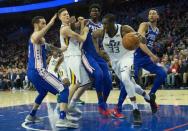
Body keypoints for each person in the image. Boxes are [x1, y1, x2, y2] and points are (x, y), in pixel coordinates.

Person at [92, 13, 155, 124]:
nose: (104, 26)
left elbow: (142, 41)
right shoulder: (101, 32)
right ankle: (149, 98)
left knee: (126, 79)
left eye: (106, 24)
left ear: (113, 23)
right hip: (114, 61)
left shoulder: (124, 29)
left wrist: (142, 38)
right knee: (132, 85)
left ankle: (135, 110)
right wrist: (97, 50)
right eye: (103, 24)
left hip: (127, 57)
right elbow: (92, 35)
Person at [25, 14, 78, 128]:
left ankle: (31, 115)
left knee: (43, 92)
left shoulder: (41, 39)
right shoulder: (34, 35)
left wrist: (59, 49)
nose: (44, 25)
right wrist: (50, 24)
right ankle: (62, 119)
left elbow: (49, 47)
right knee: (64, 89)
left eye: (45, 23)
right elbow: (36, 38)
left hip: (32, 72)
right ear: (36, 24)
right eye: (42, 23)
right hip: (38, 71)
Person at [57, 8, 90, 119]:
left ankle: (70, 104)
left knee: (86, 82)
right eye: (64, 15)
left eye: (67, 14)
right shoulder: (64, 29)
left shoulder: (68, 28)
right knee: (75, 84)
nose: (67, 16)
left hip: (76, 56)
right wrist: (85, 31)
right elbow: (81, 38)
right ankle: (63, 109)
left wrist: (81, 24)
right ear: (60, 18)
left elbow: (77, 37)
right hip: (71, 57)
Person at [81, 4, 113, 116]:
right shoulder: (85, 22)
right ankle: (101, 105)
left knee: (109, 83)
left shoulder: (102, 25)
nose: (94, 12)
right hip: (87, 53)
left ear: (99, 13)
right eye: (93, 11)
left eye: (97, 11)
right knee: (98, 75)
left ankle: (103, 102)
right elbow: (75, 27)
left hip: (99, 54)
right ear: (90, 13)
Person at [134, 8, 167, 109]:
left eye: (154, 13)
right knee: (131, 81)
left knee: (162, 73)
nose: (151, 15)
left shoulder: (157, 30)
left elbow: (149, 44)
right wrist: (152, 55)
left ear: (158, 17)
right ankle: (118, 107)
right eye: (150, 14)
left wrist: (151, 55)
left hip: (147, 57)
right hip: (136, 56)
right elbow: (140, 43)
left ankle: (151, 95)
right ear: (148, 17)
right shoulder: (144, 25)